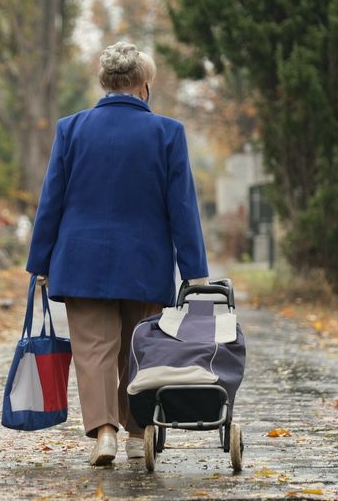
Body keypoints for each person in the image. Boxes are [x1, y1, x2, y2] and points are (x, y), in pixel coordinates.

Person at [26, 41, 208, 466]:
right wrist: (194, 271)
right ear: (144, 85)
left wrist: (40, 262)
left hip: (81, 259)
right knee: (138, 348)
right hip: (144, 262)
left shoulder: (71, 129)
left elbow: (52, 199)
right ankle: (137, 433)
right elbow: (181, 205)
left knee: (93, 350)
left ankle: (104, 432)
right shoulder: (167, 132)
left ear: (104, 82)